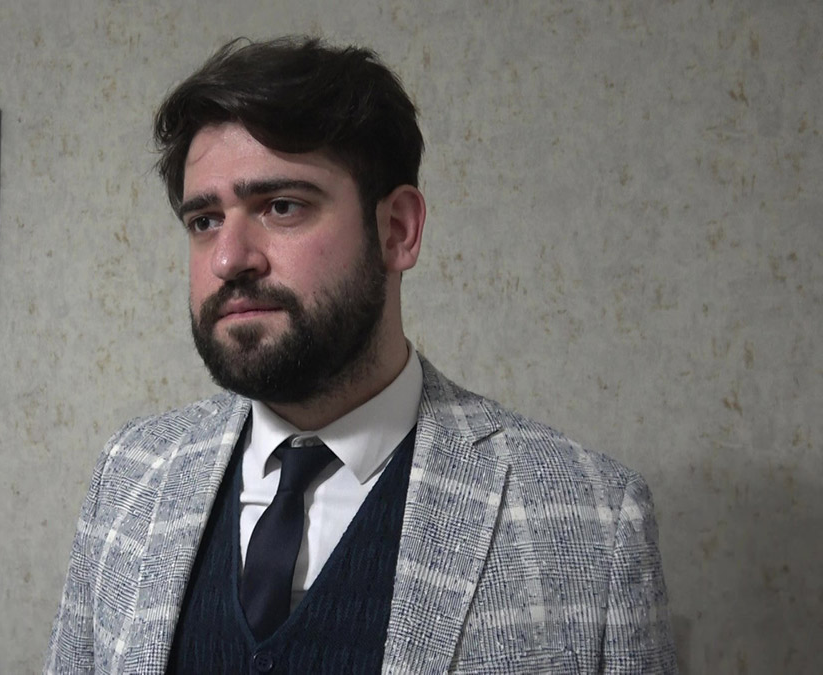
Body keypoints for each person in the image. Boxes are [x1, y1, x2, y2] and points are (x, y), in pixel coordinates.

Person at [47, 36, 676, 674]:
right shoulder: (130, 477)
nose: (229, 258)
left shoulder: (593, 520)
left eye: (281, 206)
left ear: (397, 230)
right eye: (205, 220)